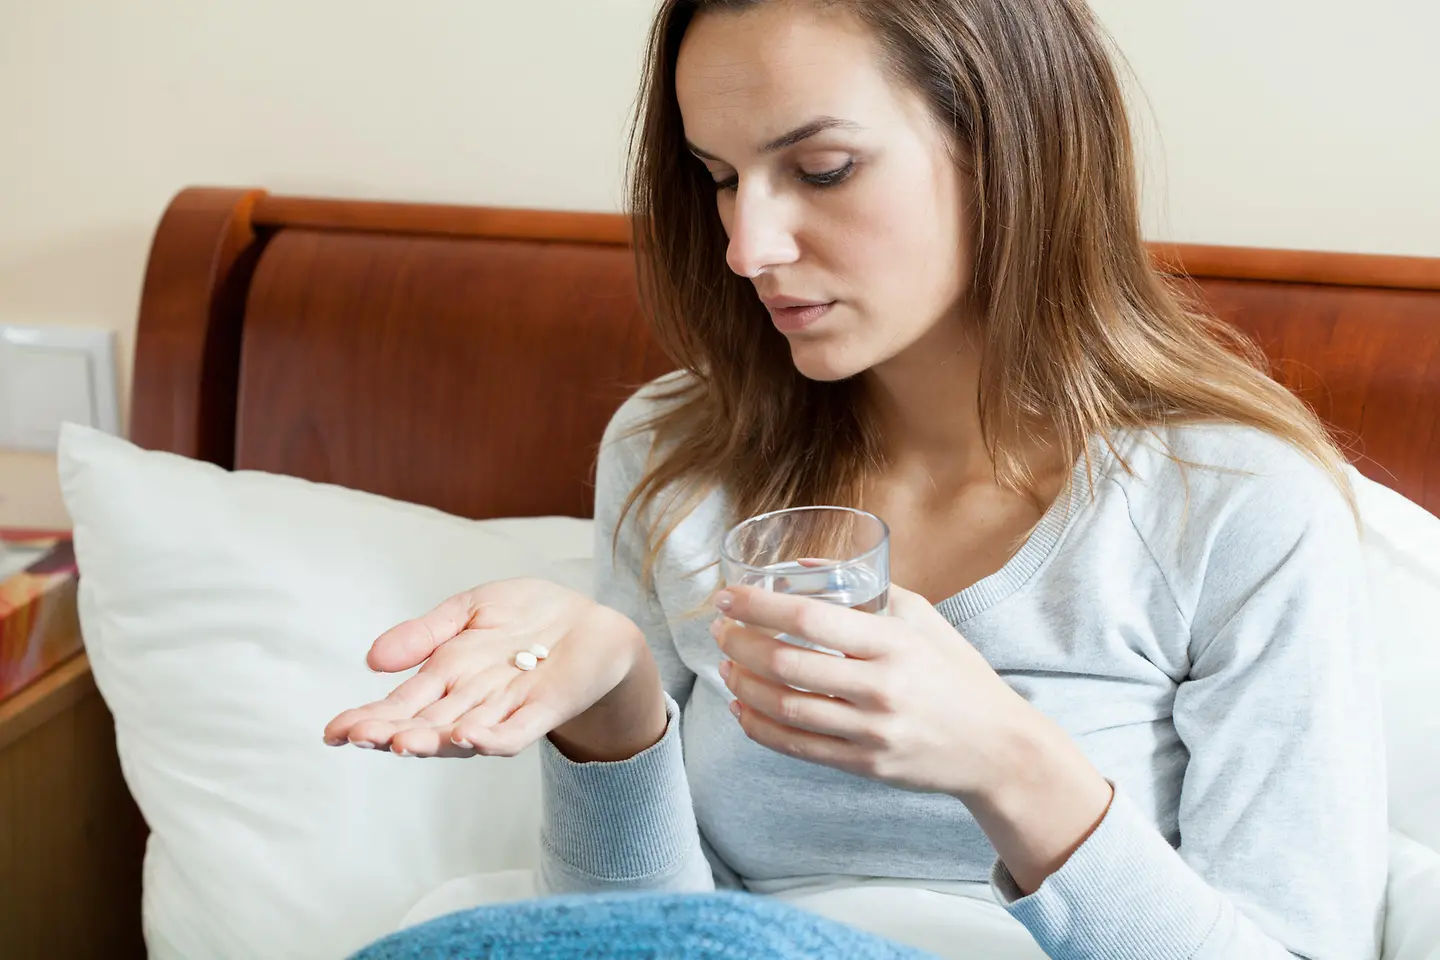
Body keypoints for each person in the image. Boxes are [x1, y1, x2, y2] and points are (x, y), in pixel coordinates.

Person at [325, 0, 1387, 957]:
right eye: (720, 179)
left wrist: (1006, 761)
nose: (748, 247)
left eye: (823, 168)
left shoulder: (1235, 505)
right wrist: (614, 711)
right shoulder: (675, 454)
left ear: (1010, 146)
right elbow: (627, 941)